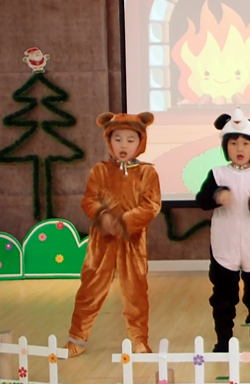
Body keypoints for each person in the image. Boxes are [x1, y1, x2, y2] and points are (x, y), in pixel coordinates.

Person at [66, 112, 161, 358]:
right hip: (102, 240)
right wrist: (103, 217)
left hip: (132, 241)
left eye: (130, 139)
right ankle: (77, 337)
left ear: (140, 142)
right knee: (90, 287)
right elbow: (89, 200)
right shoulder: (100, 170)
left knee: (135, 291)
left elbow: (151, 205)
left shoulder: (147, 173)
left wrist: (125, 222)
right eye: (117, 139)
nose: (123, 145)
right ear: (109, 140)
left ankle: (139, 340)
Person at [196, 108, 250, 353]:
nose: (239, 148)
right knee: (223, 295)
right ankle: (223, 339)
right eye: (233, 143)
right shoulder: (218, 174)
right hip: (225, 245)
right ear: (226, 147)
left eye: (245, 143)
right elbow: (202, 200)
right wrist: (216, 196)